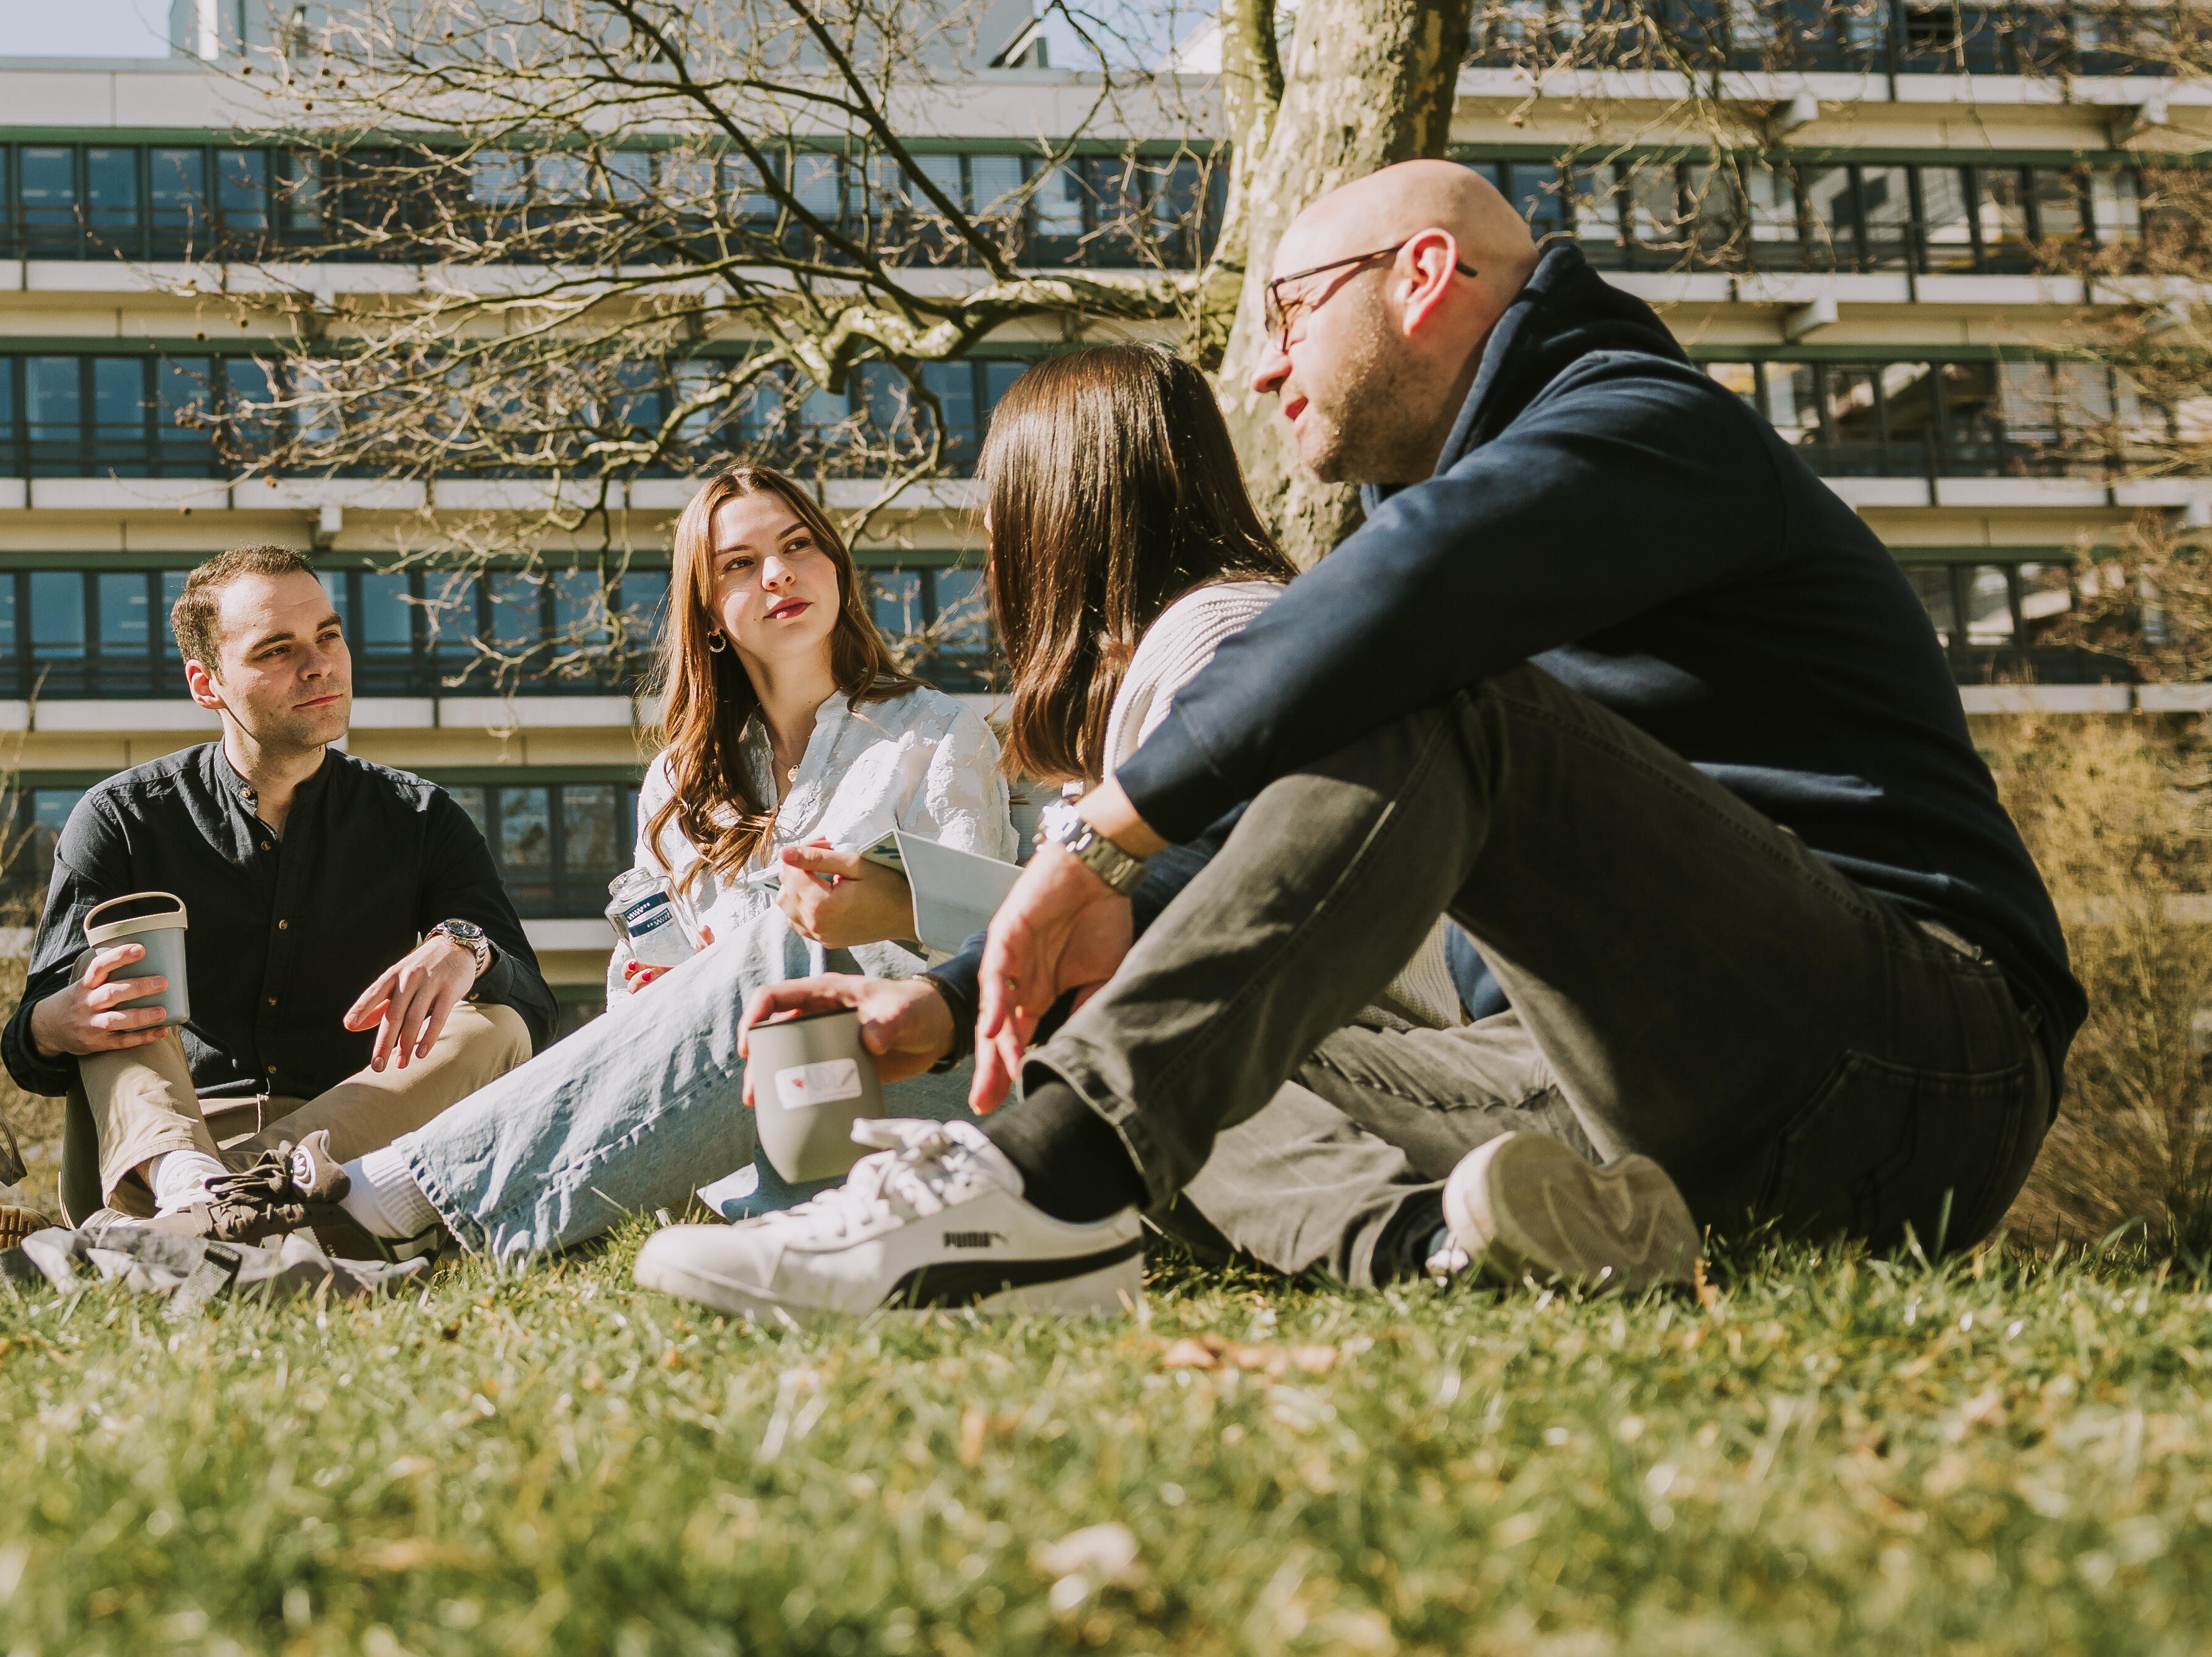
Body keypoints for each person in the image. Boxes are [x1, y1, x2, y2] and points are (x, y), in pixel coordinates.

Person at [650, 159, 2079, 1322]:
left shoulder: (1642, 426)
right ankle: (1437, 1250)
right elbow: (1228, 851)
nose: (1265, 372)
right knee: (1138, 1010)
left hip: (1908, 1064)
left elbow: (1407, 621)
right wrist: (962, 997)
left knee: (1428, 683)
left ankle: (1040, 1191)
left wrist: (1101, 830)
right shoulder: (1438, 528)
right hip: (1614, 1093)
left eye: (1287, 314)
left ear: (1424, 274)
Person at [305, 461, 1046, 1261]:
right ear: (710, 611)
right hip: (728, 1110)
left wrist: (873, 915)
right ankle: (411, 1216)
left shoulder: (935, 735)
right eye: (739, 563)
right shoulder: (679, 780)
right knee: (749, 969)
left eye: (799, 545)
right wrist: (667, 985)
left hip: (904, 1080)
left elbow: (988, 944)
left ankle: (390, 1196)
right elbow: (636, 977)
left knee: (777, 959)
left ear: (835, 566)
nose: (779, 573)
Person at [4, 546, 557, 1222]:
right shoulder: (121, 818)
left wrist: (464, 948)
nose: (318, 662)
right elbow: (28, 1053)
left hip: (355, 1140)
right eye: (275, 649)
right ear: (207, 685)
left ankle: (217, 1205)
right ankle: (195, 1184)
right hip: (161, 1144)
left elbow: (534, 1008)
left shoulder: (419, 817)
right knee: (120, 984)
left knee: (495, 1018)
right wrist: (58, 1021)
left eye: (328, 635)